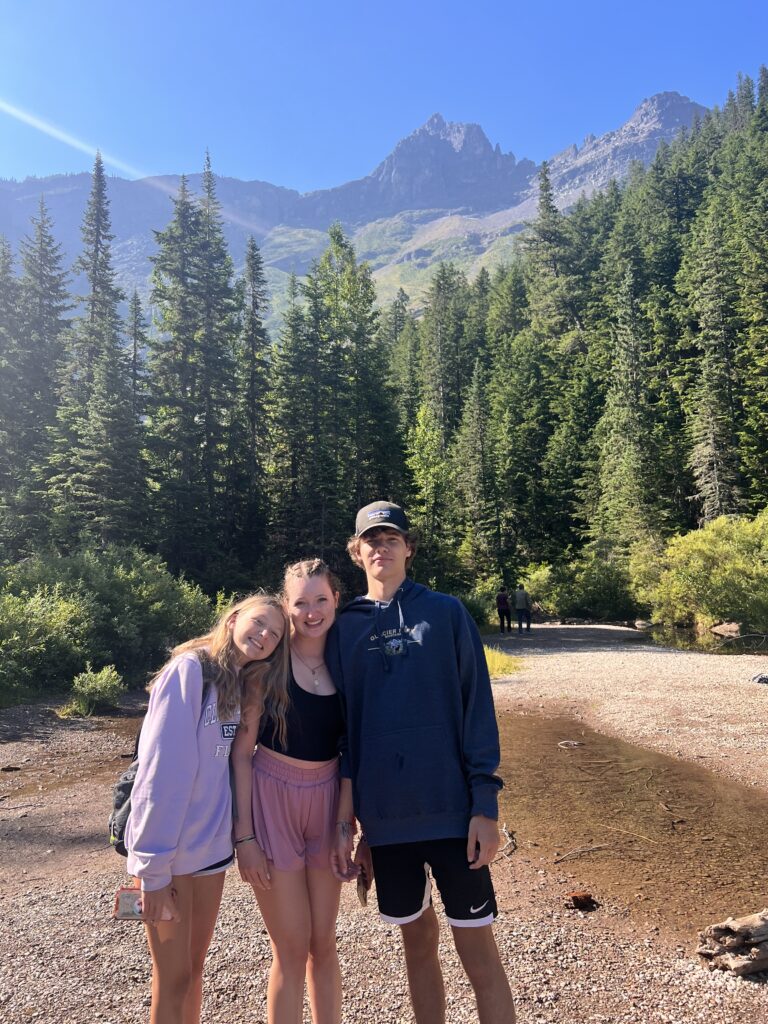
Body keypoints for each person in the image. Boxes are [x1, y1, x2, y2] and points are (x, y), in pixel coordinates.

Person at [327, 501, 515, 1024]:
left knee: (479, 953)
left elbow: (478, 709)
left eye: (391, 538)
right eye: (371, 539)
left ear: (408, 547)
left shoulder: (447, 612)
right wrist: (356, 827)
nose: (381, 547)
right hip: (387, 828)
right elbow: (343, 734)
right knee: (417, 948)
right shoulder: (343, 630)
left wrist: (486, 806)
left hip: (455, 815)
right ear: (357, 552)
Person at [125, 593, 290, 1024]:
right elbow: (160, 773)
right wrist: (152, 869)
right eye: (258, 623)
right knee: (172, 979)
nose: (264, 636)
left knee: (194, 972)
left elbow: (234, 762)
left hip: (211, 855)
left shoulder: (239, 682)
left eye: (275, 634)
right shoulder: (189, 671)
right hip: (171, 858)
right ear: (233, 618)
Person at [232, 559, 348, 1024]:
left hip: (326, 800)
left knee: (324, 944)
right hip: (271, 797)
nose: (312, 611)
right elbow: (241, 754)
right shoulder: (267, 670)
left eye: (321, 599)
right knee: (291, 947)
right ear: (287, 606)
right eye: (301, 602)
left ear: (336, 600)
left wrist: (346, 824)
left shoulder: (348, 661)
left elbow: (352, 753)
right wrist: (245, 839)